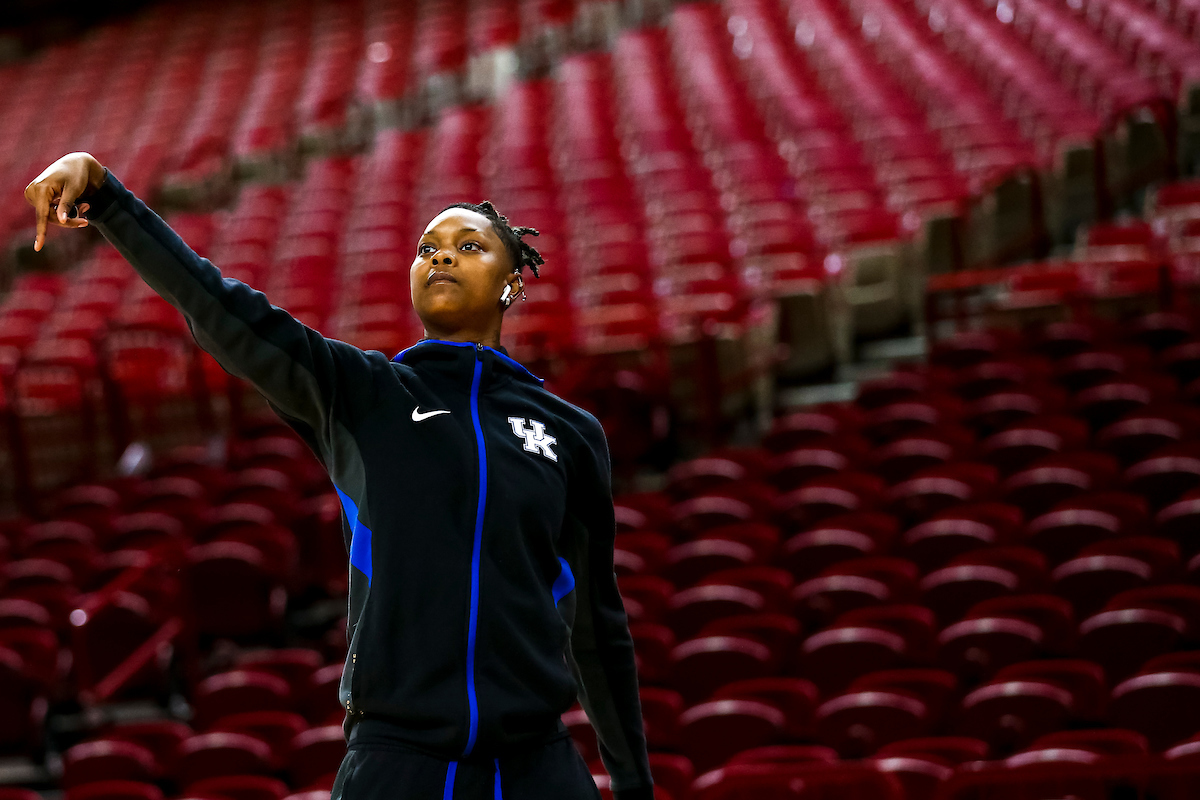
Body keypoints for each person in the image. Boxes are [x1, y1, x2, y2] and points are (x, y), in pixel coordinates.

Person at [25, 152, 655, 800]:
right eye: (427, 248)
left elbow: (597, 629)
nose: (441, 257)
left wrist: (634, 785)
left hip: (538, 768)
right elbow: (217, 305)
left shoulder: (571, 433)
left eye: (468, 245)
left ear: (511, 285)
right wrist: (108, 200)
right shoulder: (363, 393)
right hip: (396, 763)